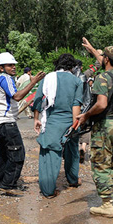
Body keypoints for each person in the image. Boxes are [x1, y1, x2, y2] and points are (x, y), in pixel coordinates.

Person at [78, 38, 113, 217]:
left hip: (105, 124)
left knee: (101, 164)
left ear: (107, 59)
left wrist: (86, 115)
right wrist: (93, 50)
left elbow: (101, 104)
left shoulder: (102, 77)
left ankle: (107, 204)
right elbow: (105, 61)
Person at [0, 52, 45, 196]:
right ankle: (8, 184)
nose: (13, 67)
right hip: (6, 122)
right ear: (1, 68)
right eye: (10, 65)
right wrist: (33, 82)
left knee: (3, 155)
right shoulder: (6, 78)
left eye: (14, 65)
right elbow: (17, 96)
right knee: (17, 153)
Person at [32, 53, 83, 198]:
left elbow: (38, 100)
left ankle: (48, 190)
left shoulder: (48, 78)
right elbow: (76, 104)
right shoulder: (77, 81)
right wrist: (74, 126)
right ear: (72, 67)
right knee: (72, 152)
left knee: (50, 154)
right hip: (71, 121)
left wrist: (36, 119)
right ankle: (73, 180)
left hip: (52, 122)